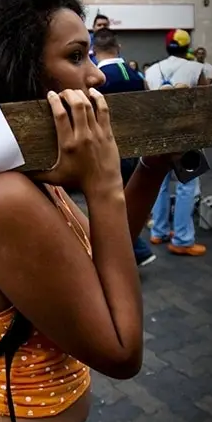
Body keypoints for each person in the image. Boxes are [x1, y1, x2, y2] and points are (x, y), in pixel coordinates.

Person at [0, 0, 176, 422]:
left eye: (89, 53)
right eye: (75, 56)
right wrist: (103, 180)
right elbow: (121, 352)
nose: (94, 74)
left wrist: (151, 168)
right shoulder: (2, 197)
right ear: (23, 72)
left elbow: (94, 261)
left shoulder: (28, 174)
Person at [142, 29, 210, 257]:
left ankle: (158, 231)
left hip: (158, 135)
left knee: (159, 185)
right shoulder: (196, 69)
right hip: (186, 135)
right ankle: (182, 239)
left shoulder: (150, 71)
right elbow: (204, 104)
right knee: (186, 185)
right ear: (187, 46)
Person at [92, 28, 155, 267]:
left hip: (108, 150)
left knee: (113, 206)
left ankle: (134, 251)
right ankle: (135, 250)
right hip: (135, 148)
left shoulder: (96, 78)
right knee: (127, 201)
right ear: (117, 48)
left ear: (94, 51)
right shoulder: (136, 76)